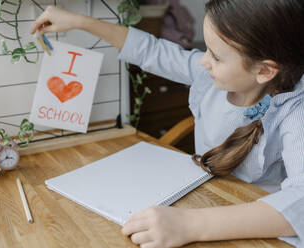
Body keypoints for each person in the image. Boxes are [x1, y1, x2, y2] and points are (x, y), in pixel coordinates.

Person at [30, 0, 304, 247]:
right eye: (207, 49)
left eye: (216, 56)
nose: (203, 61)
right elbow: (151, 51)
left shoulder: (295, 112)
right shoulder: (211, 74)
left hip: (251, 228)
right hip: (201, 199)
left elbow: (299, 202)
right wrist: (80, 21)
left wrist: (191, 224)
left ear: (265, 70)